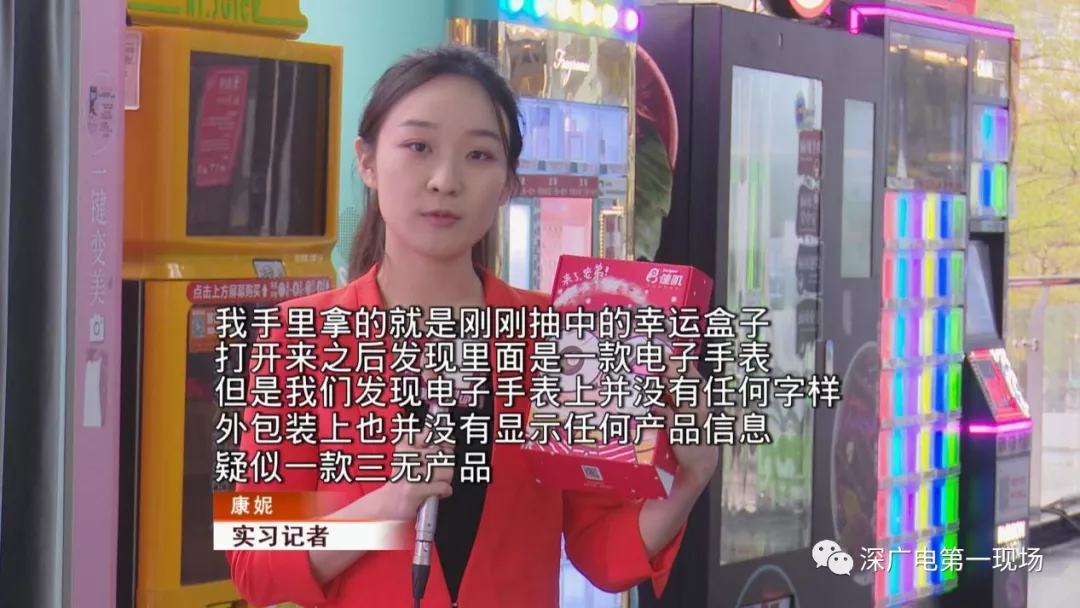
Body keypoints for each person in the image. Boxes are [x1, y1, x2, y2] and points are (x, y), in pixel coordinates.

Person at [226, 45, 718, 608]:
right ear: (367, 161)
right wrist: (389, 504)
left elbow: (601, 553)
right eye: (418, 147)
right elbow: (253, 560)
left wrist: (687, 482)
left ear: (508, 183)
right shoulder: (300, 336)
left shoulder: (561, 332)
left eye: (479, 155)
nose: (445, 180)